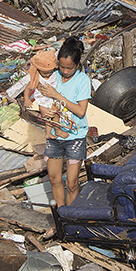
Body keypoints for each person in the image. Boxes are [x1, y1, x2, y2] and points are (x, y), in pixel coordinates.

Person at [39, 36, 91, 207]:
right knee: (54, 178)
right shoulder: (52, 76)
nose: (65, 71)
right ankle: (61, 216)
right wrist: (42, 109)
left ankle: (72, 219)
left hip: (75, 137)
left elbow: (81, 111)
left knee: (72, 183)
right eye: (61, 67)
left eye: (70, 68)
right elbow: (40, 99)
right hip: (54, 135)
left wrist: (57, 96)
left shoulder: (82, 80)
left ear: (76, 64)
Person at [21, 49, 69, 139]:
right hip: (43, 101)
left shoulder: (54, 74)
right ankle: (48, 133)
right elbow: (28, 89)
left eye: (50, 72)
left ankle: (57, 130)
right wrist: (27, 99)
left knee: (56, 115)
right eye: (45, 73)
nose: (48, 75)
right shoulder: (37, 78)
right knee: (48, 117)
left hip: (53, 99)